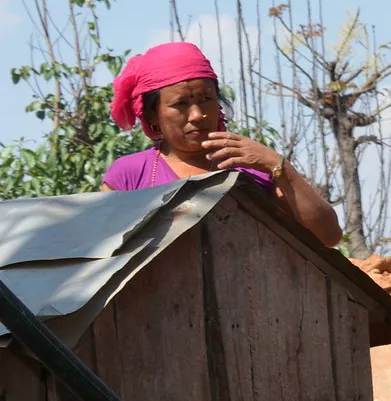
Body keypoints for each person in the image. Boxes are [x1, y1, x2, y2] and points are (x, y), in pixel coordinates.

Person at [101, 41, 342, 247]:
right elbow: (100, 250)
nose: (197, 115)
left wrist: (278, 165)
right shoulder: (129, 175)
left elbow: (328, 236)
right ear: (153, 115)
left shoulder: (252, 168)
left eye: (206, 99)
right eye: (180, 104)